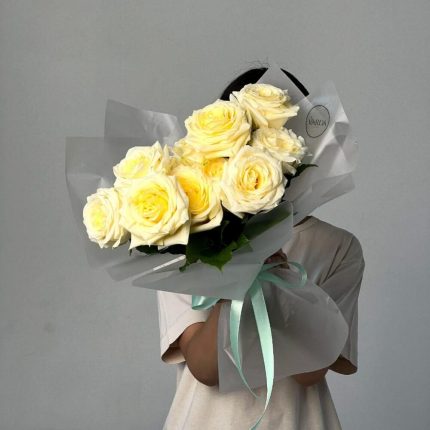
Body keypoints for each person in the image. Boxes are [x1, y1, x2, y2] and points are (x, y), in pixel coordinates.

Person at [156, 67, 365, 429]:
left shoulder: (338, 247)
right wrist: (238, 274)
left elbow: (310, 372)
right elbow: (205, 368)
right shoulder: (186, 241)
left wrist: (281, 281)